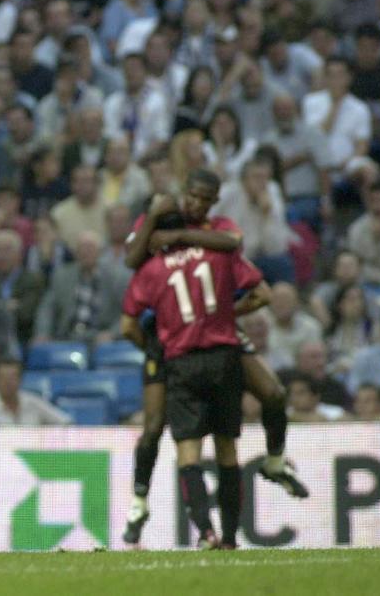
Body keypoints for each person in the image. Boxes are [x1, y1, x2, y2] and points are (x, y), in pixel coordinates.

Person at [120, 171, 307, 546]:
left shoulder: (212, 231)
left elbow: (233, 244)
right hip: (170, 335)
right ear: (183, 192)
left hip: (206, 334)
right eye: (193, 196)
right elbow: (132, 256)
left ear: (213, 202)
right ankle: (139, 504)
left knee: (271, 395)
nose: (196, 204)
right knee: (156, 427)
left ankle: (270, 467)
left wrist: (219, 312)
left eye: (205, 199)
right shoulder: (164, 219)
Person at [0, 358, 70, 425]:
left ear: (20, 379)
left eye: (12, 377)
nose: (8, 382)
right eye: (3, 377)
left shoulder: (33, 402)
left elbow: (66, 421)